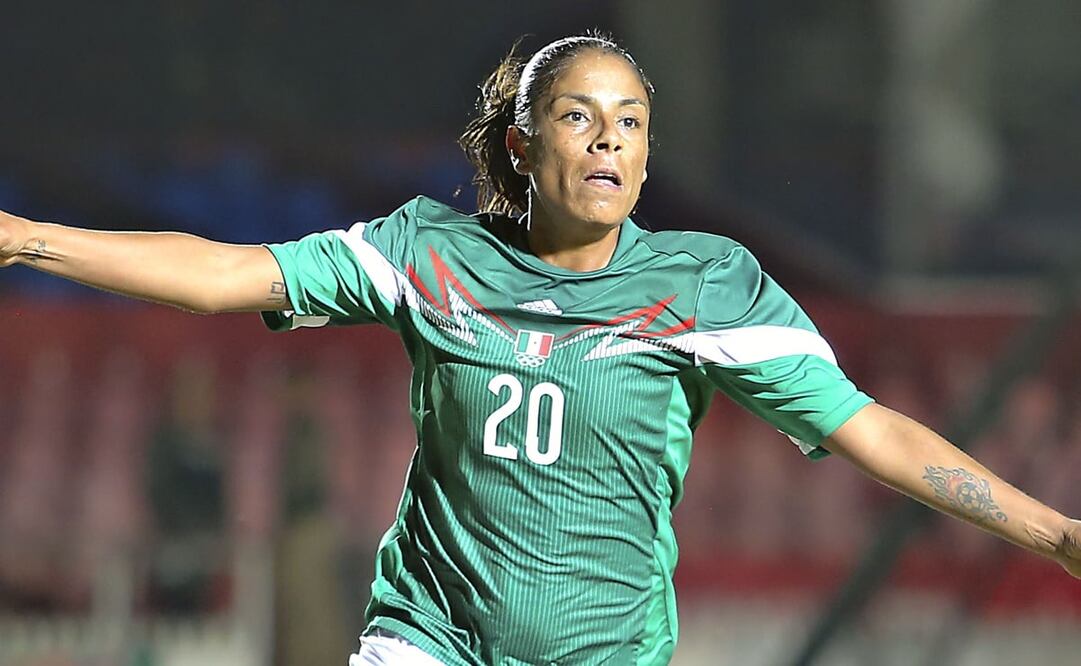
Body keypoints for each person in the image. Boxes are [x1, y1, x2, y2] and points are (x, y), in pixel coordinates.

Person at [1, 33, 1079, 666]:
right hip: (429, 638)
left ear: (649, 158)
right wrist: (26, 238)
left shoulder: (705, 287)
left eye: (631, 122)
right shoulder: (428, 254)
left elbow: (870, 429)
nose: (608, 137)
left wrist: (1052, 533)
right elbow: (226, 273)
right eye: (578, 116)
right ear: (523, 144)